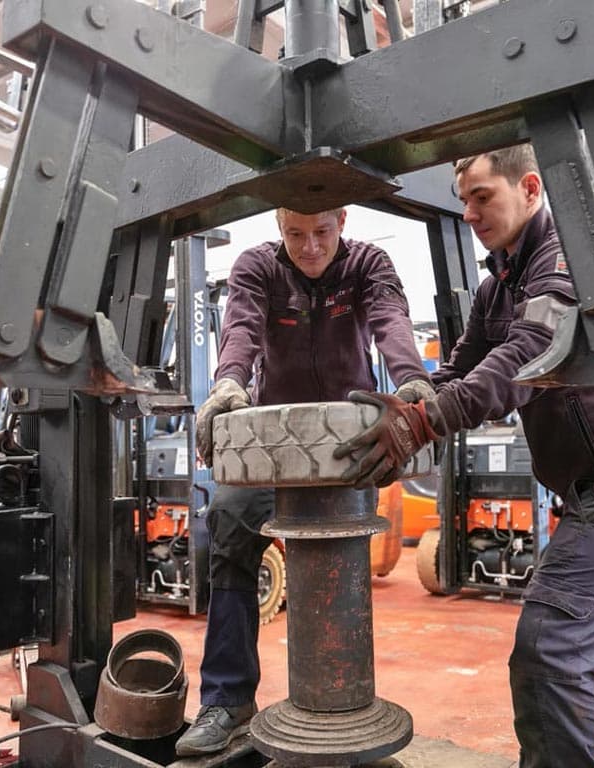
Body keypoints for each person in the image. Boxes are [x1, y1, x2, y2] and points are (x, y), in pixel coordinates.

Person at [335, 145, 594, 767]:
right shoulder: (494, 285)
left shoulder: (570, 260)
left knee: (551, 649)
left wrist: (426, 423)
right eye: (464, 202)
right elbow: (465, 365)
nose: (472, 213)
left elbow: (529, 358)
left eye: (483, 197)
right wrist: (413, 397)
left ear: (530, 187)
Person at [176, 206, 432, 757]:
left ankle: (346, 705)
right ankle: (227, 701)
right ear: (278, 223)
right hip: (274, 447)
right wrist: (227, 385)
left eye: (321, 232)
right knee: (228, 530)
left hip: (350, 445)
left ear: (342, 218)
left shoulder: (368, 264)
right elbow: (241, 327)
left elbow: (390, 319)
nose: (310, 247)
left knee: (339, 563)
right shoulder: (257, 268)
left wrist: (412, 381)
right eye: (295, 234)